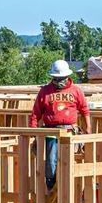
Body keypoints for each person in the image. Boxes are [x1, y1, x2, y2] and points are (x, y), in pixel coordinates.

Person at [30, 59, 91, 189]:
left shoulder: (76, 91)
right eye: (56, 78)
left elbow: (85, 110)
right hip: (51, 131)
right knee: (51, 161)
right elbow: (36, 113)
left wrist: (88, 128)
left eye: (61, 78)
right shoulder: (45, 92)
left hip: (70, 131)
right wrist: (33, 132)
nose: (59, 81)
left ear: (67, 76)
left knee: (69, 160)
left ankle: (69, 185)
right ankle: (51, 184)